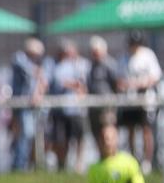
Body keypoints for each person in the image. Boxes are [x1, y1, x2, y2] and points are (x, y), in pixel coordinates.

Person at [119, 30, 162, 174]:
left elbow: (155, 76)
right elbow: (120, 79)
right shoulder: (124, 57)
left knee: (146, 130)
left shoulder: (148, 55)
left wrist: (140, 84)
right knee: (131, 129)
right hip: (130, 100)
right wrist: (127, 85)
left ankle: (147, 161)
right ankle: (133, 159)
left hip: (146, 99)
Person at [48, 39, 89, 172]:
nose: (68, 54)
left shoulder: (82, 64)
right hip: (61, 110)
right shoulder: (56, 65)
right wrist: (73, 84)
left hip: (77, 110)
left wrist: (76, 85)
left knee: (79, 138)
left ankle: (79, 165)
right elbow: (59, 82)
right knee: (61, 140)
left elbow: (83, 86)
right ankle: (62, 165)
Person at [10, 38, 48, 171]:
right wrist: (37, 72)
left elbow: (43, 82)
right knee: (22, 136)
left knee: (32, 137)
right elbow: (30, 72)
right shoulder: (19, 58)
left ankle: (31, 165)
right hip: (21, 106)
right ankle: (18, 167)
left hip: (33, 108)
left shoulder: (37, 64)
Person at [86, 36, 121, 158]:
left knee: (108, 133)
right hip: (93, 107)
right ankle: (102, 156)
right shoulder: (90, 66)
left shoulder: (110, 64)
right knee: (96, 133)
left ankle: (112, 156)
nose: (94, 54)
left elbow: (117, 84)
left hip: (107, 107)